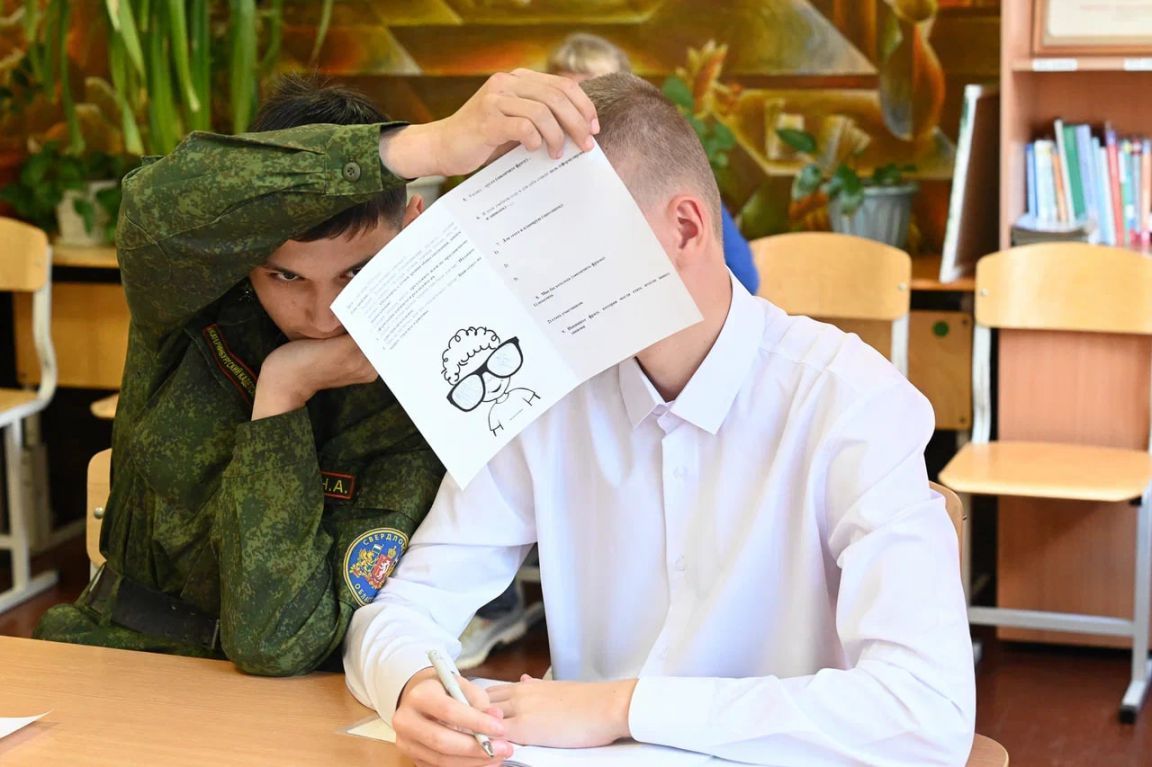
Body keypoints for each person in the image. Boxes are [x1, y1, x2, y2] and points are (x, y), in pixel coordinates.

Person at [344, 73, 975, 766]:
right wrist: (413, 687)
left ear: (685, 229)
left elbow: (928, 711)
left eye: (565, 242)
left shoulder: (850, 402)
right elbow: (401, 609)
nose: (535, 282)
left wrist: (624, 705)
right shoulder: (544, 397)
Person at [33, 70, 600, 677]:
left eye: (356, 272)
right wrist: (427, 146)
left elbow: (277, 640)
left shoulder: (430, 392)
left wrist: (283, 392)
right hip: (110, 655)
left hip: (290, 702)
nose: (325, 314)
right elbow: (152, 204)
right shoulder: (191, 299)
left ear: (414, 225)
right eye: (285, 276)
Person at [547, 31, 760, 294]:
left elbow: (743, 277)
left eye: (597, 99)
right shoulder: (540, 180)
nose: (576, 116)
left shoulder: (665, 168)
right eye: (564, 101)